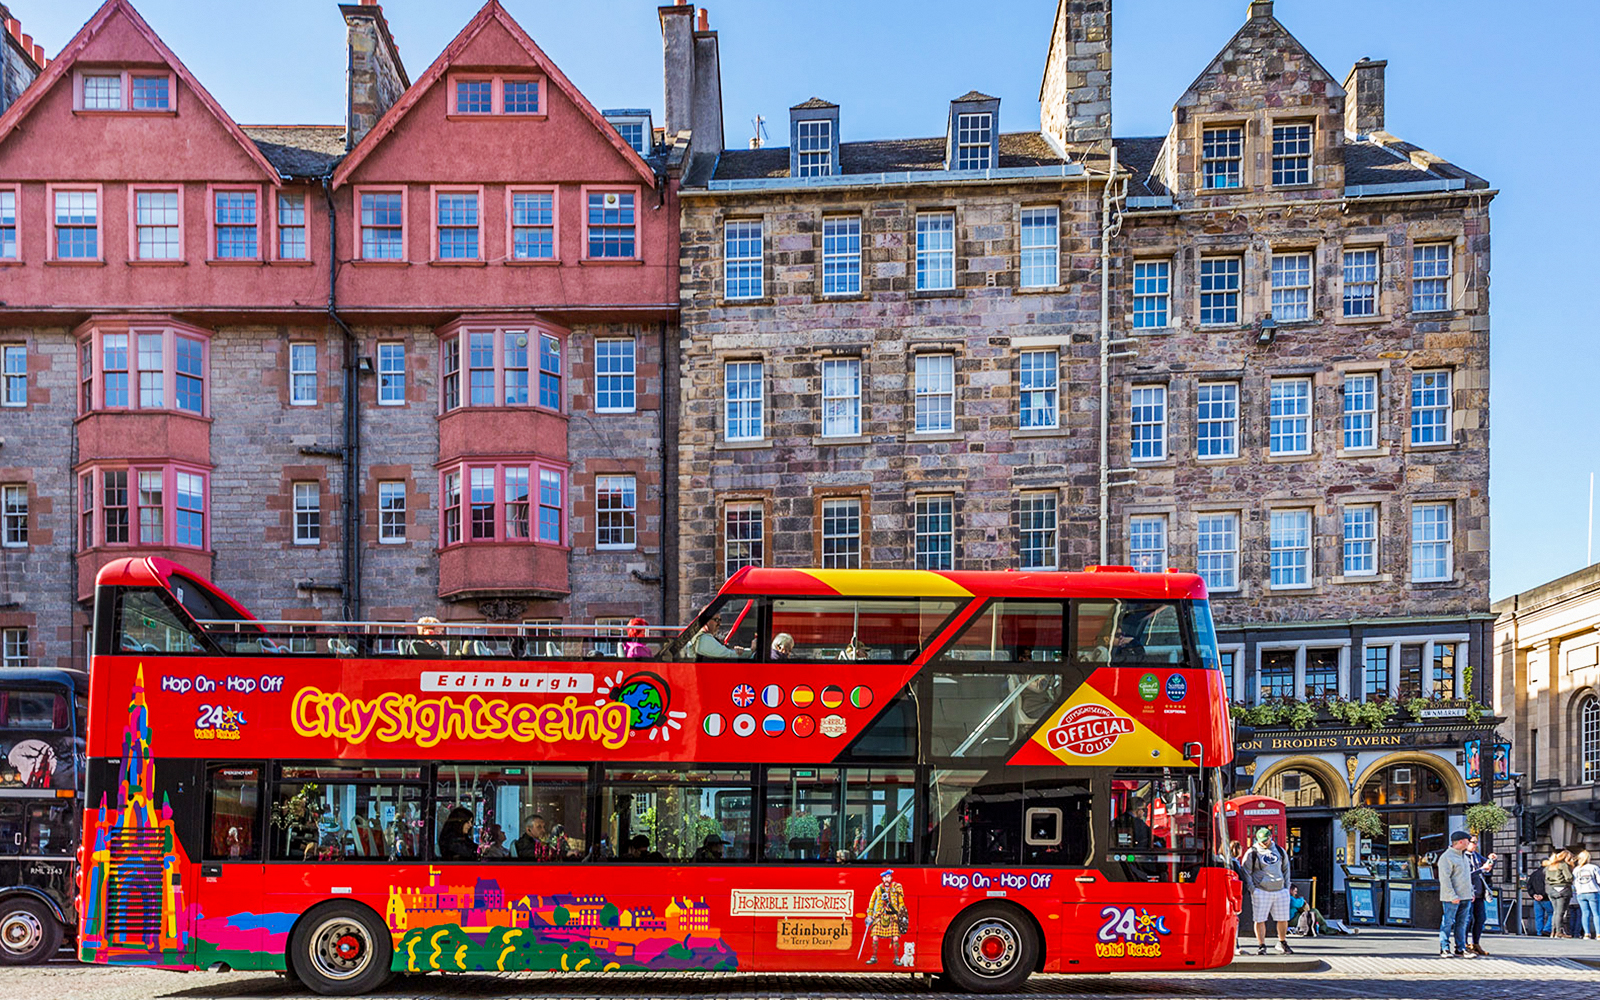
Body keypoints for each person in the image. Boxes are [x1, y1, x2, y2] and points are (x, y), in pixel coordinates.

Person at [1242, 827, 1293, 955]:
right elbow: (1246, 871)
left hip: (1280, 890)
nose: (1264, 843)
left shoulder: (1280, 851)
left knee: (1283, 918)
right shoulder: (1252, 852)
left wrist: (1287, 887)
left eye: (1266, 840)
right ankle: (1261, 945)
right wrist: (1252, 889)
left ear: (1271, 837)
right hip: (1261, 890)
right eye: (1261, 841)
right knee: (1259, 919)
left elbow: (1286, 869)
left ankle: (1282, 942)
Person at [1437, 830, 1476, 957]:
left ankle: (1460, 948)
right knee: (1447, 922)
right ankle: (1444, 948)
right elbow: (1445, 879)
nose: (1469, 843)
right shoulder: (1446, 857)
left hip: (1465, 896)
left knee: (1462, 923)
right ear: (1460, 841)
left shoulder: (1464, 856)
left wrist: (1471, 892)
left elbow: (1467, 877)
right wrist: (1452, 895)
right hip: (1452, 898)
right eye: (1467, 841)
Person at [863, 869, 908, 966]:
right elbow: (872, 902)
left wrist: (902, 914)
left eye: (888, 877)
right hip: (879, 916)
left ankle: (896, 958)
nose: (887, 879)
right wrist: (870, 915)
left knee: (895, 938)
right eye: (885, 877)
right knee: (875, 936)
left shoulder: (896, 888)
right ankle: (874, 957)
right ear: (882, 879)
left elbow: (901, 903)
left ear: (891, 878)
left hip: (892, 916)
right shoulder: (878, 889)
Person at [1465, 835, 1497, 954]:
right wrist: (1482, 869)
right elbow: (1467, 874)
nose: (1475, 844)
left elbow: (1487, 865)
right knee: (1467, 920)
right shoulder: (1463, 856)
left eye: (1476, 842)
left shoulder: (1475, 855)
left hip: (1479, 893)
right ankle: (1463, 943)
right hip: (1469, 892)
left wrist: (1491, 860)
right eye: (1473, 842)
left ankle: (1476, 943)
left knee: (1481, 918)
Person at [1546, 850, 1576, 938]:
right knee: (1560, 912)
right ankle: (1559, 931)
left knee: (1555, 912)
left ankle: (1553, 931)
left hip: (1552, 889)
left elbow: (1547, 878)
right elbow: (1569, 877)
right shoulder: (1563, 865)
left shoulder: (1550, 866)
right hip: (1563, 889)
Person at [1573, 849, 1600, 940]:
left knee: (1585, 913)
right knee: (1596, 914)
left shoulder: (1576, 869)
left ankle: (1586, 934)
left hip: (1580, 893)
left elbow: (1574, 882)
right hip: (1592, 891)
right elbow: (1599, 880)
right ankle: (1598, 934)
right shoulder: (1594, 867)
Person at [1529, 861, 1553, 936]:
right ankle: (1546, 929)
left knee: (1538, 916)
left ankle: (1539, 932)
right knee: (1552, 914)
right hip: (1546, 898)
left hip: (1536, 899)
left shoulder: (1534, 874)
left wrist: (1534, 895)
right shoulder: (1548, 873)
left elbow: (1529, 886)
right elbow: (1549, 886)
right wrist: (1543, 895)